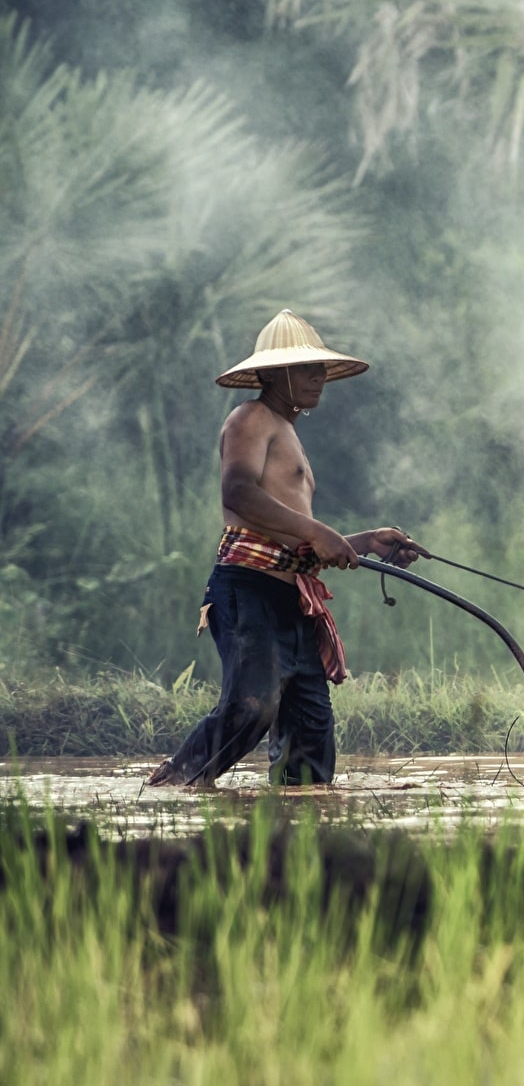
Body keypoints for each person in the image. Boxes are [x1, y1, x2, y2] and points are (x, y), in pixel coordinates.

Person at [149, 310, 424, 788]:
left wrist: (365, 542)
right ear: (275, 374)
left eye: (319, 368)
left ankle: (298, 831)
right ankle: (170, 790)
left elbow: (293, 537)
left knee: (311, 741)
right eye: (305, 369)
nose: (318, 377)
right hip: (248, 592)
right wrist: (319, 531)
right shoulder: (250, 417)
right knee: (252, 707)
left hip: (290, 598)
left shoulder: (288, 432)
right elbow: (237, 493)